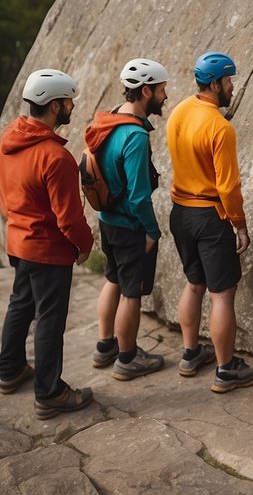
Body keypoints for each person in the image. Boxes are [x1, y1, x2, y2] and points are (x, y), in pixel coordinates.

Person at [0, 68, 95, 420]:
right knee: (50, 320)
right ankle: (50, 393)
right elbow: (68, 218)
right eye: (69, 101)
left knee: (20, 305)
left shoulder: (10, 139)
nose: (71, 106)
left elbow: (4, 191)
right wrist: (85, 245)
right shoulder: (55, 157)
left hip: (19, 242)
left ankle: (9, 371)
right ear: (55, 106)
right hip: (48, 251)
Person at [166, 51, 253, 393]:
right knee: (222, 295)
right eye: (230, 80)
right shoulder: (219, 126)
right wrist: (240, 224)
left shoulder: (179, 111)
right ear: (216, 83)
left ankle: (190, 353)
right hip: (209, 215)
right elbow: (228, 186)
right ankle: (226, 368)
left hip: (180, 212)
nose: (233, 86)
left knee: (194, 283)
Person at [89, 58, 169, 381]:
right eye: (162, 90)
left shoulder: (108, 120)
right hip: (129, 226)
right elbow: (139, 195)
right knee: (131, 292)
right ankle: (127, 357)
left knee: (112, 278)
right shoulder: (135, 136)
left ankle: (105, 345)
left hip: (106, 219)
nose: (165, 97)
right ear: (146, 90)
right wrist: (152, 230)